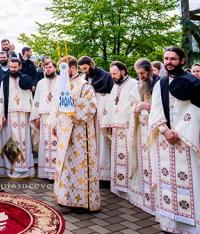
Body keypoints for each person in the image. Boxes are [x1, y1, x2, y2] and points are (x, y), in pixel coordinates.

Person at [148, 46, 200, 233]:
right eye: (166, 58)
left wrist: (180, 131)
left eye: (173, 59)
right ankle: (171, 224)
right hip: (165, 142)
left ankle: (196, 227)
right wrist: (165, 130)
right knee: (168, 183)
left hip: (188, 142)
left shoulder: (194, 83)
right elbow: (155, 111)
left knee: (193, 183)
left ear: (182, 61)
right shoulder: (160, 83)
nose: (169, 62)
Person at [49, 56, 100, 210]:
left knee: (79, 166)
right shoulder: (64, 84)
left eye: (63, 68)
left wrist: (73, 102)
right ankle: (65, 197)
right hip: (64, 132)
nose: (61, 72)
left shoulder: (85, 86)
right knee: (66, 164)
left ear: (72, 68)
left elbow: (91, 108)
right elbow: (58, 105)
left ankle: (82, 202)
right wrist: (55, 123)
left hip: (80, 134)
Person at [99, 61, 139, 199]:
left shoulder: (134, 84)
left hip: (128, 127)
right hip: (116, 128)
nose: (112, 76)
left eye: (115, 73)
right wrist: (108, 122)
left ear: (123, 72)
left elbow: (134, 104)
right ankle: (118, 187)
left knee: (128, 157)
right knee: (117, 157)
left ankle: (129, 188)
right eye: (111, 74)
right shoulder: (115, 86)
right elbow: (111, 104)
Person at [0, 57, 35, 178]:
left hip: (24, 115)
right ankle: (12, 169)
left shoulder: (25, 80)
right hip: (10, 115)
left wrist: (32, 113)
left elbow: (30, 98)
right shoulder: (4, 80)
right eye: (11, 67)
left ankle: (25, 169)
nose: (12, 69)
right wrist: (1, 114)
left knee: (25, 142)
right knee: (10, 141)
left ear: (20, 67)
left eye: (15, 67)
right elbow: (1, 98)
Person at [128, 58, 158, 214]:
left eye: (143, 73)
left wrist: (148, 106)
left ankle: (156, 202)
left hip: (155, 132)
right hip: (142, 131)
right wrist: (136, 106)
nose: (140, 76)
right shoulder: (139, 85)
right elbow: (132, 103)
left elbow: (164, 106)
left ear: (150, 71)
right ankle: (145, 198)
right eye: (138, 74)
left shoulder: (158, 84)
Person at [78, 55, 113, 183]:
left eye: (86, 68)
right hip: (89, 117)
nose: (85, 72)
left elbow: (111, 97)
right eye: (82, 69)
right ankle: (92, 174)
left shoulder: (106, 76)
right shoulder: (83, 78)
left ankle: (104, 176)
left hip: (101, 116)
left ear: (92, 64)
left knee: (103, 145)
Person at [30, 59, 59, 180]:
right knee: (46, 144)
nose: (47, 70)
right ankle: (47, 173)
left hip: (57, 117)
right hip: (43, 117)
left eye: (50, 67)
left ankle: (57, 173)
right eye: (45, 68)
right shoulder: (41, 83)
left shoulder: (62, 81)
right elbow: (36, 100)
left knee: (57, 144)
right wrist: (36, 115)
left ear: (55, 68)